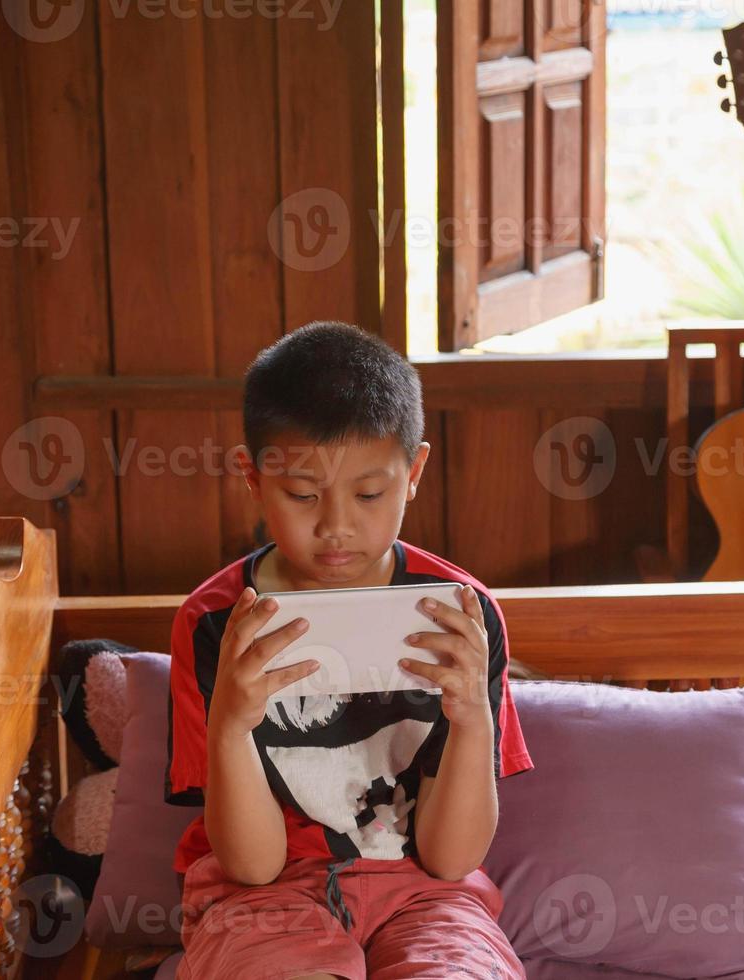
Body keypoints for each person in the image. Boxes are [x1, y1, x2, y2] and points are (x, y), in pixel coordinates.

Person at [165, 320, 534, 979]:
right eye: (302, 496)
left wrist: (472, 716)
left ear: (414, 471)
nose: (336, 527)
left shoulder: (460, 616)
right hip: (264, 900)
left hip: (428, 894)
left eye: (369, 494)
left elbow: (452, 860)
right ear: (251, 476)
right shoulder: (215, 621)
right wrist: (231, 724)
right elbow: (251, 866)